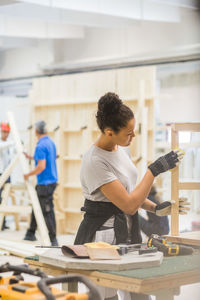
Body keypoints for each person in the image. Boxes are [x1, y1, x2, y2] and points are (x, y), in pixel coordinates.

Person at [74, 92, 184, 300]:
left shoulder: (121, 148)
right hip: (103, 237)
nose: (133, 137)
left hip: (127, 231)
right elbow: (128, 205)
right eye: (129, 133)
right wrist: (153, 170)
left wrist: (154, 208)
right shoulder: (95, 161)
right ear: (109, 132)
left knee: (139, 294)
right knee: (108, 296)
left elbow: (129, 194)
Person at [23, 121, 58, 246]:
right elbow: (45, 158)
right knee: (37, 206)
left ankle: (53, 239)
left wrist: (28, 175)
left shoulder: (40, 146)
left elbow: (41, 166)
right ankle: (30, 233)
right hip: (52, 181)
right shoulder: (50, 142)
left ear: (36, 131)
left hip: (45, 183)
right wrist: (31, 157)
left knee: (47, 210)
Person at [0, 122, 14, 230]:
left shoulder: (9, 144)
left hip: (7, 173)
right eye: (4, 132)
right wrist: (15, 143)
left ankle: (3, 223)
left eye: (7, 132)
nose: (6, 134)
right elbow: (3, 146)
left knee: (5, 198)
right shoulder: (3, 143)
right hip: (1, 174)